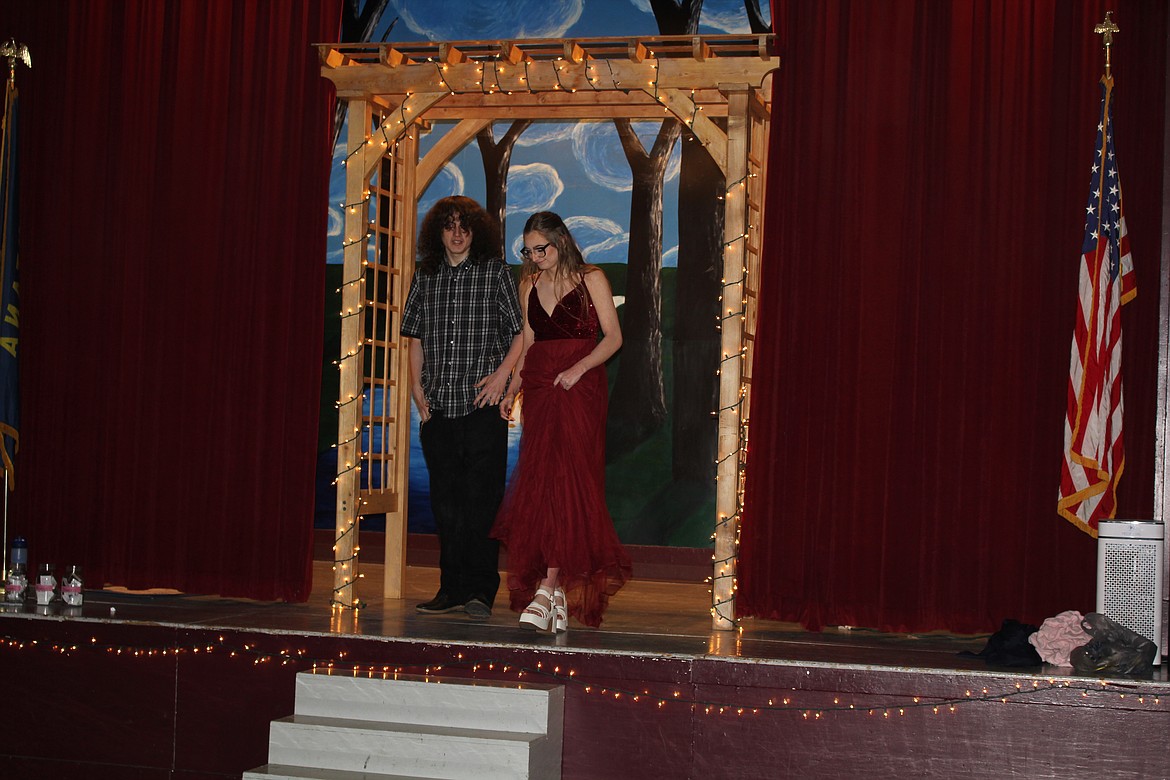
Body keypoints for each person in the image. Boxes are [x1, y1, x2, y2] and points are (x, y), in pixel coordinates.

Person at [492, 212, 632, 633]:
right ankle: (551, 595)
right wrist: (513, 389)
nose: (535, 257)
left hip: (580, 387)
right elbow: (530, 343)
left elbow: (614, 337)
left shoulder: (592, 278)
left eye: (542, 249)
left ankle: (548, 585)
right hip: (540, 387)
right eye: (528, 251)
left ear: (561, 241)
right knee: (542, 481)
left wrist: (579, 369)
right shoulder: (528, 283)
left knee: (570, 480)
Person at [401, 196, 523, 620]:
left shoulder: (495, 274)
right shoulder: (426, 275)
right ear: (438, 232)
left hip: (481, 408)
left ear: (476, 232)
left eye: (464, 226)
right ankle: (449, 588)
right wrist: (416, 388)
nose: (456, 234)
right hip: (437, 411)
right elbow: (413, 336)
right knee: (445, 505)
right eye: (449, 226)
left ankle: (480, 592)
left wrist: (503, 376)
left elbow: (521, 333)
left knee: (481, 503)